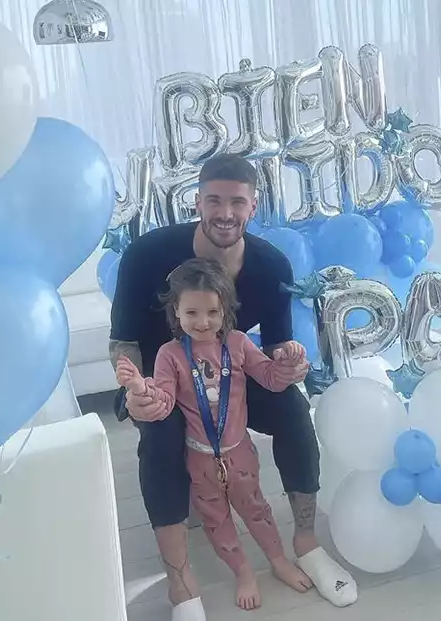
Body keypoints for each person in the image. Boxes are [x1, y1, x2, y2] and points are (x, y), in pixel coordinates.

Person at [109, 154, 357, 621]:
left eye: (237, 202)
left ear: (253, 205)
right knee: (159, 438)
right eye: (215, 201)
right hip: (162, 385)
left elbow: (277, 348)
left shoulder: (272, 264)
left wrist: (290, 365)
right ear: (197, 202)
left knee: (292, 408)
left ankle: (306, 542)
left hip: (230, 381)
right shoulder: (145, 254)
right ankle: (181, 582)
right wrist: (134, 391)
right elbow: (123, 342)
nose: (225, 213)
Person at [117, 258, 315, 611]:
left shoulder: (238, 343)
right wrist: (140, 388)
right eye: (192, 313)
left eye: (212, 312)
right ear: (176, 312)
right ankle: (242, 571)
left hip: (240, 453)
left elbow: (270, 379)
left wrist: (288, 362)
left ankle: (279, 560)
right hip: (199, 459)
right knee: (217, 523)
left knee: (257, 510)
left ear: (225, 310)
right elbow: (164, 402)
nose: (203, 322)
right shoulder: (169, 355)